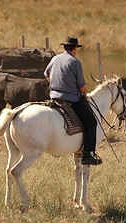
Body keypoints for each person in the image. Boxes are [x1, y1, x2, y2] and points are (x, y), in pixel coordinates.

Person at [44, 36, 102, 166]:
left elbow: (46, 74)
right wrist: (85, 95)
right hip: (71, 99)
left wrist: (56, 84)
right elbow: (81, 86)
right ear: (75, 49)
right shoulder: (75, 62)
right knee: (91, 122)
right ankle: (88, 154)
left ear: (64, 47)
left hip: (54, 96)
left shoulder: (55, 59)